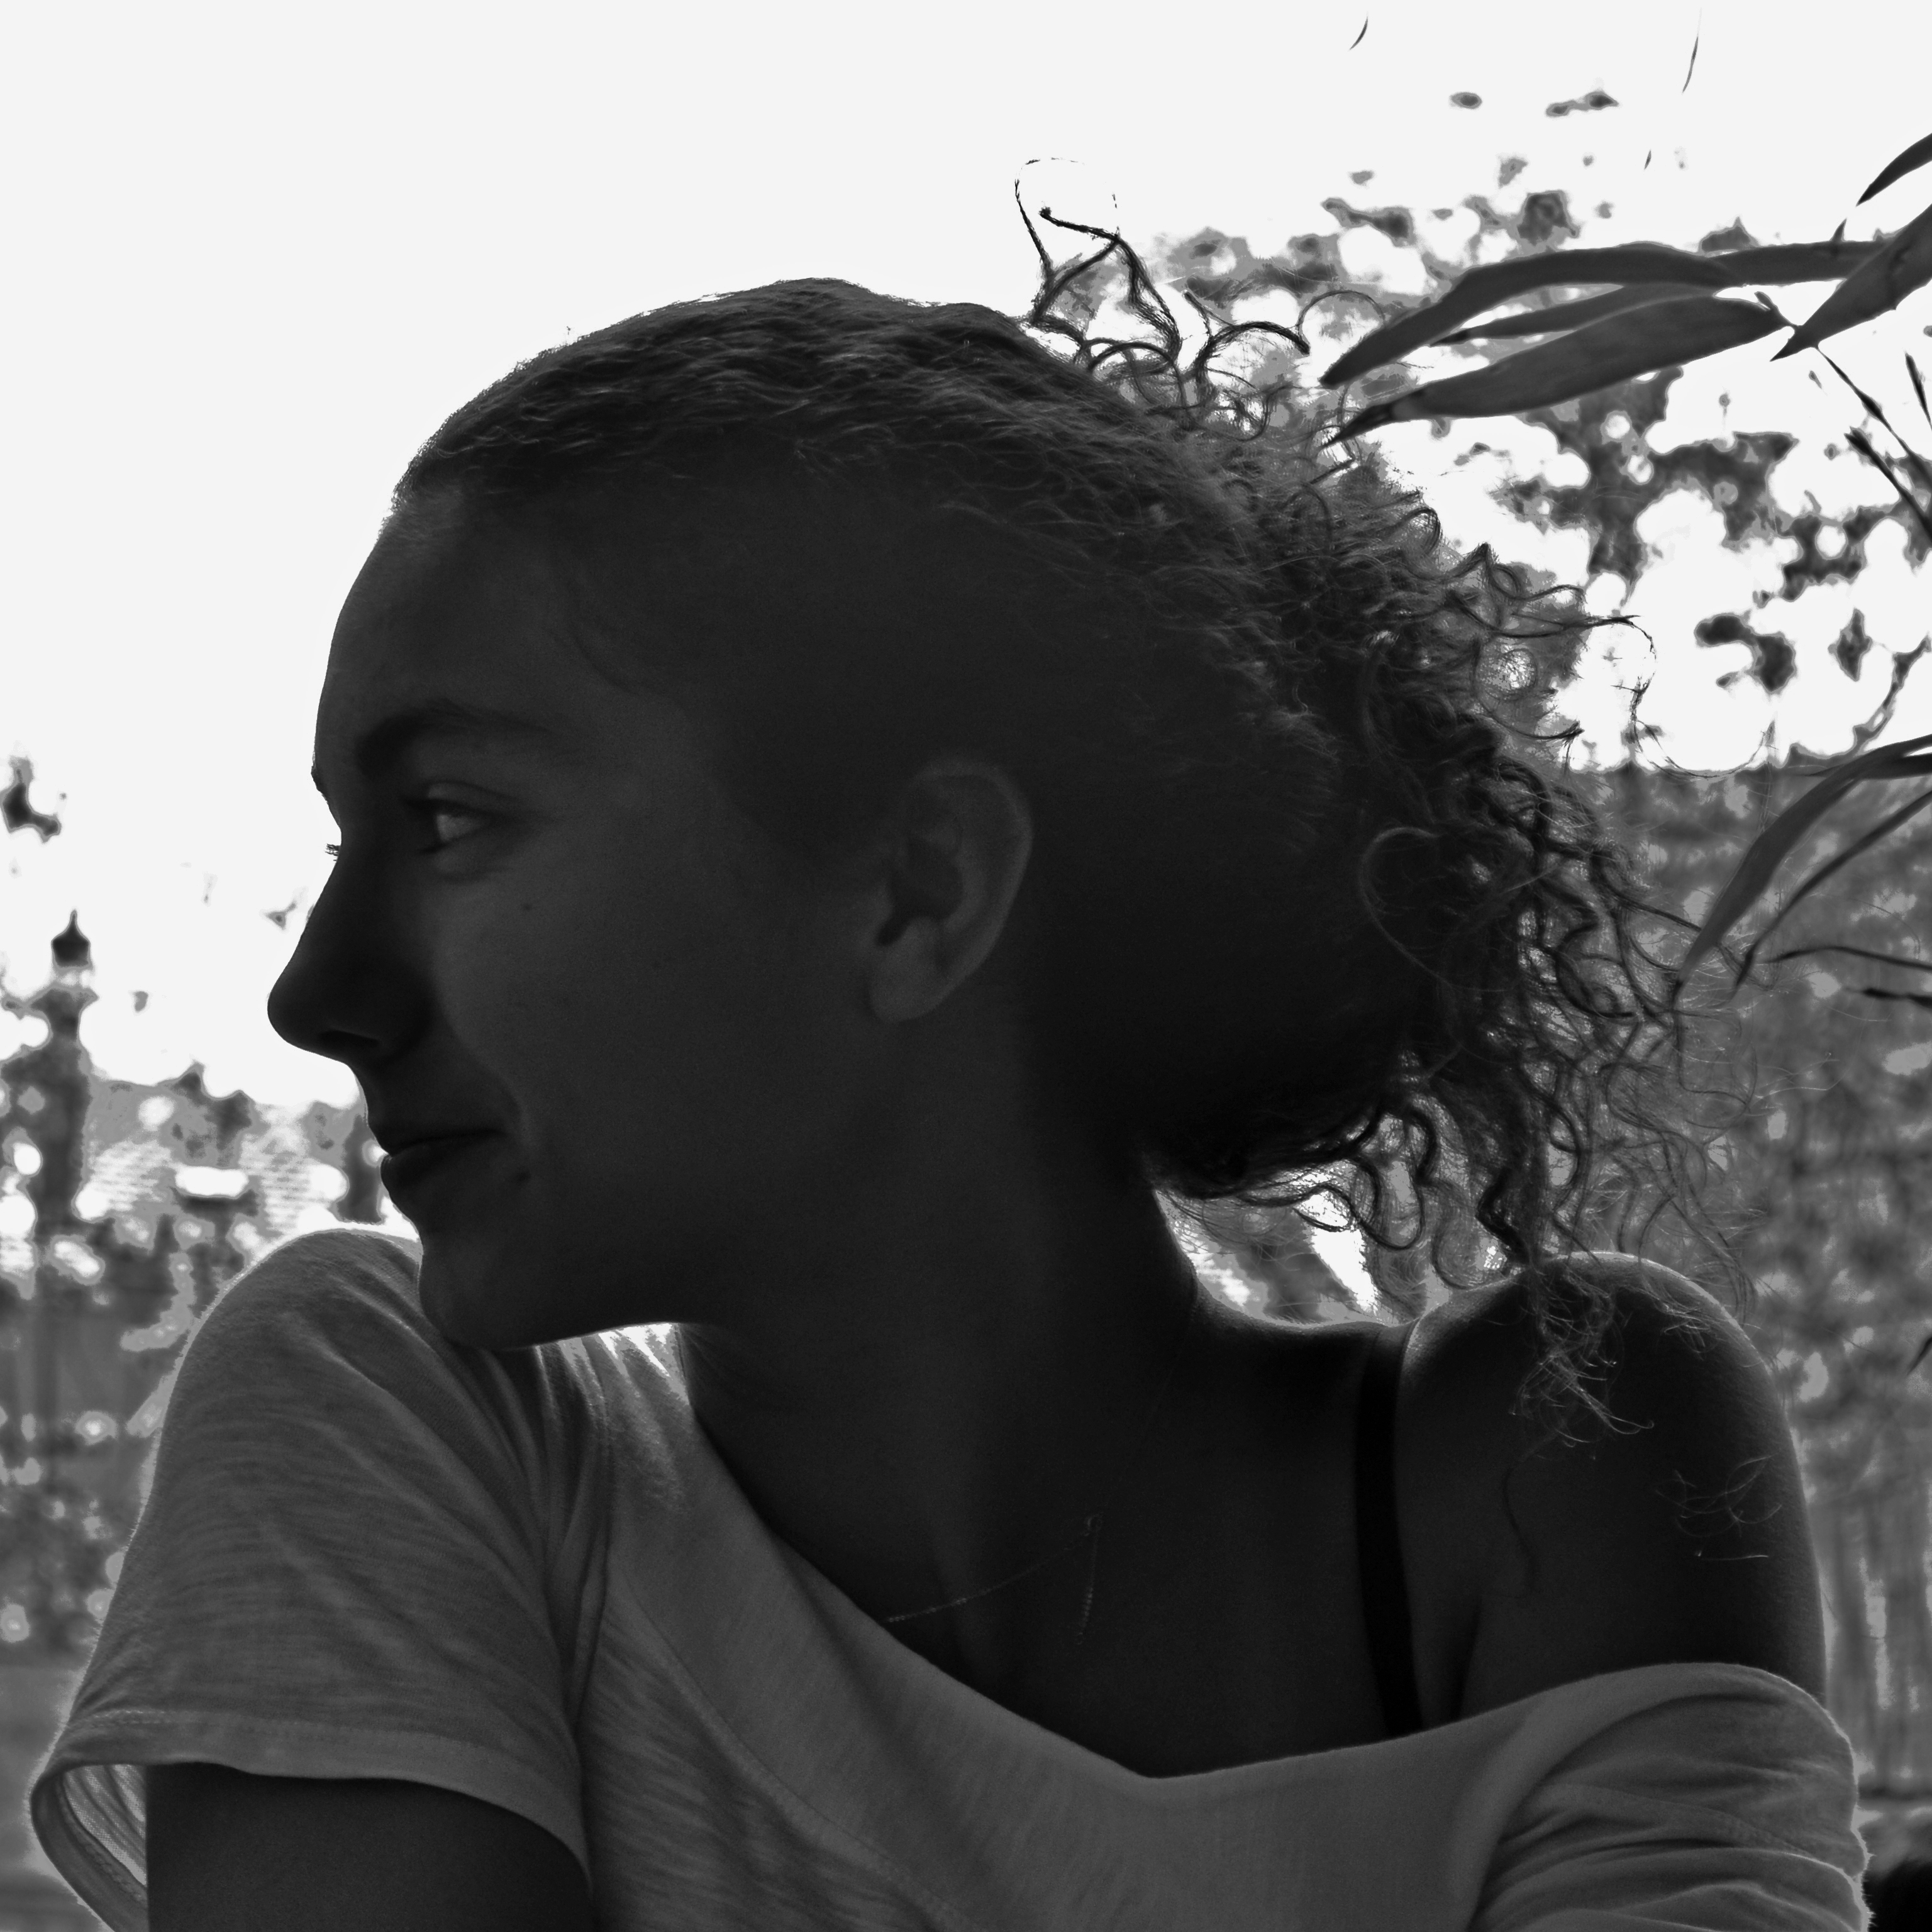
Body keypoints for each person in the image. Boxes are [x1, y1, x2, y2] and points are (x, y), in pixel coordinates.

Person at [31, 223, 1872, 1928]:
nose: (315, 993)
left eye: (449, 818)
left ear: (919, 889)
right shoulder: (407, 1425)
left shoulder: (1553, 1463)